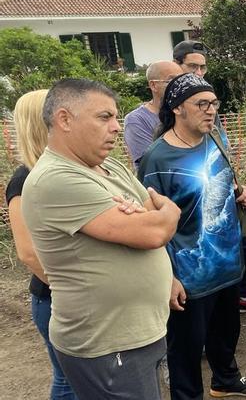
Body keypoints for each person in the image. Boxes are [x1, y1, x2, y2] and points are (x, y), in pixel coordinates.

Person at [21, 78, 180, 399]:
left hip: (136, 334)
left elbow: (151, 211)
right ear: (64, 119)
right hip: (107, 345)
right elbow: (155, 228)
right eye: (104, 117)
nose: (117, 127)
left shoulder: (110, 167)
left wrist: (152, 219)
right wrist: (169, 213)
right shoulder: (55, 179)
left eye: (116, 117)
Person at [138, 73, 246, 399]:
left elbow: (223, 183)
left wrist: (243, 192)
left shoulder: (214, 139)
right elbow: (149, 224)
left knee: (227, 333)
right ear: (178, 108)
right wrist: (167, 277)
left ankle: (225, 379)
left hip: (226, 263)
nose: (210, 111)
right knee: (185, 351)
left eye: (213, 104)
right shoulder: (158, 158)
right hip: (189, 275)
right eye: (201, 104)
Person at [172, 39, 246, 314]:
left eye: (203, 67)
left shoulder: (211, 115)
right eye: (192, 67)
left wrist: (237, 188)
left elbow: (222, 156)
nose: (198, 73)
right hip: (185, 209)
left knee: (245, 246)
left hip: (219, 200)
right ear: (177, 67)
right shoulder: (149, 121)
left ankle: (241, 298)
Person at [6, 90, 78, 400]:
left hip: (71, 297)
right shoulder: (23, 181)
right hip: (56, 300)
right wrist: (75, 292)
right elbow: (28, 253)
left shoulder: (61, 172)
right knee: (69, 381)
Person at [123, 60, 184, 168]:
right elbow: (150, 162)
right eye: (171, 80)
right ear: (153, 85)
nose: (179, 85)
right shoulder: (137, 120)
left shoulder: (185, 112)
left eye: (182, 80)